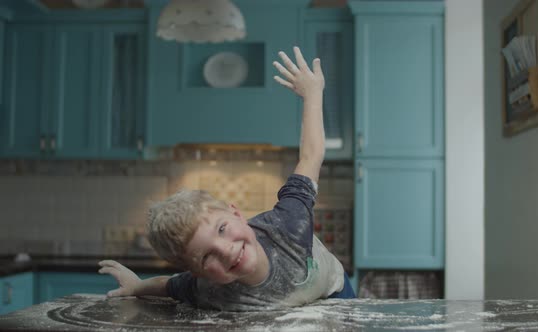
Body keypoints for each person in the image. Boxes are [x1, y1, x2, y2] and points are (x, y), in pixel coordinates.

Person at [97, 46, 356, 311]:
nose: (227, 250)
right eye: (207, 255)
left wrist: (313, 94)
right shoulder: (207, 288)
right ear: (197, 272)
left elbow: (311, 156)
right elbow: (169, 286)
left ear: (235, 213)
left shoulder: (288, 225)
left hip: (332, 293)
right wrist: (137, 286)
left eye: (221, 228)